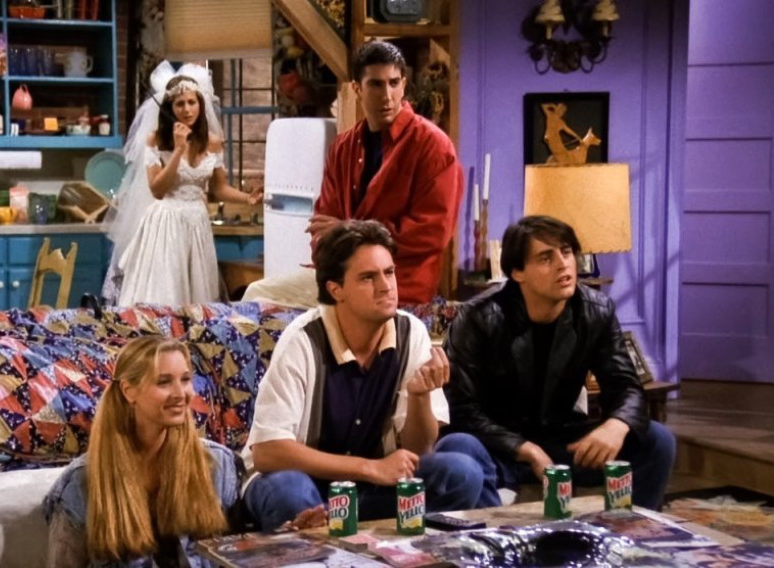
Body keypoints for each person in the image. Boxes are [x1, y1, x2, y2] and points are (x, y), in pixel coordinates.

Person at [242, 220, 492, 531]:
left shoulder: (410, 332)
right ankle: (324, 539)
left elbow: (419, 450)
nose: (386, 286)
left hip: (368, 488)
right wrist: (370, 468)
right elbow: (268, 452)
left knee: (460, 472)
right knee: (290, 491)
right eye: (368, 277)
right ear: (336, 290)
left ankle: (369, 538)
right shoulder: (303, 340)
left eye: (389, 272)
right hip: (305, 482)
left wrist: (419, 397)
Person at [441, 215, 676, 510]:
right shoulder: (479, 317)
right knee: (458, 447)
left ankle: (630, 530)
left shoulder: (595, 310)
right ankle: (494, 533)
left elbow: (626, 386)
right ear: (517, 272)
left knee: (657, 440)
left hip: (562, 441)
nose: (563, 265)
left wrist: (617, 424)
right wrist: (526, 449)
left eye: (566, 252)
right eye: (546, 258)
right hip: (496, 445)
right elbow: (461, 409)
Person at [243, 40, 463, 308]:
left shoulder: (432, 146)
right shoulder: (344, 146)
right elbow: (322, 225)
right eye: (376, 84)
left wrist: (351, 231)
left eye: (394, 83)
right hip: (344, 276)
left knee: (264, 302)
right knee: (256, 294)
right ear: (358, 88)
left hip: (397, 283)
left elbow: (431, 233)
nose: (387, 95)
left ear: (404, 84)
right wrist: (333, 247)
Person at [43, 336, 237, 567]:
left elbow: (242, 554)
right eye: (164, 382)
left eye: (185, 380)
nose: (180, 393)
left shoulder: (217, 463)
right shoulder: (81, 483)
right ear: (129, 391)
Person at [103, 61, 261, 307]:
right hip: (166, 223)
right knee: (165, 295)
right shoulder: (156, 140)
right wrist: (177, 150)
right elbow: (157, 190)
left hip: (197, 224)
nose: (187, 109)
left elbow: (219, 189)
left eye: (192, 102)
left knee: (197, 297)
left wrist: (248, 198)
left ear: (200, 104)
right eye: (180, 104)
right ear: (170, 108)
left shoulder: (213, 142)